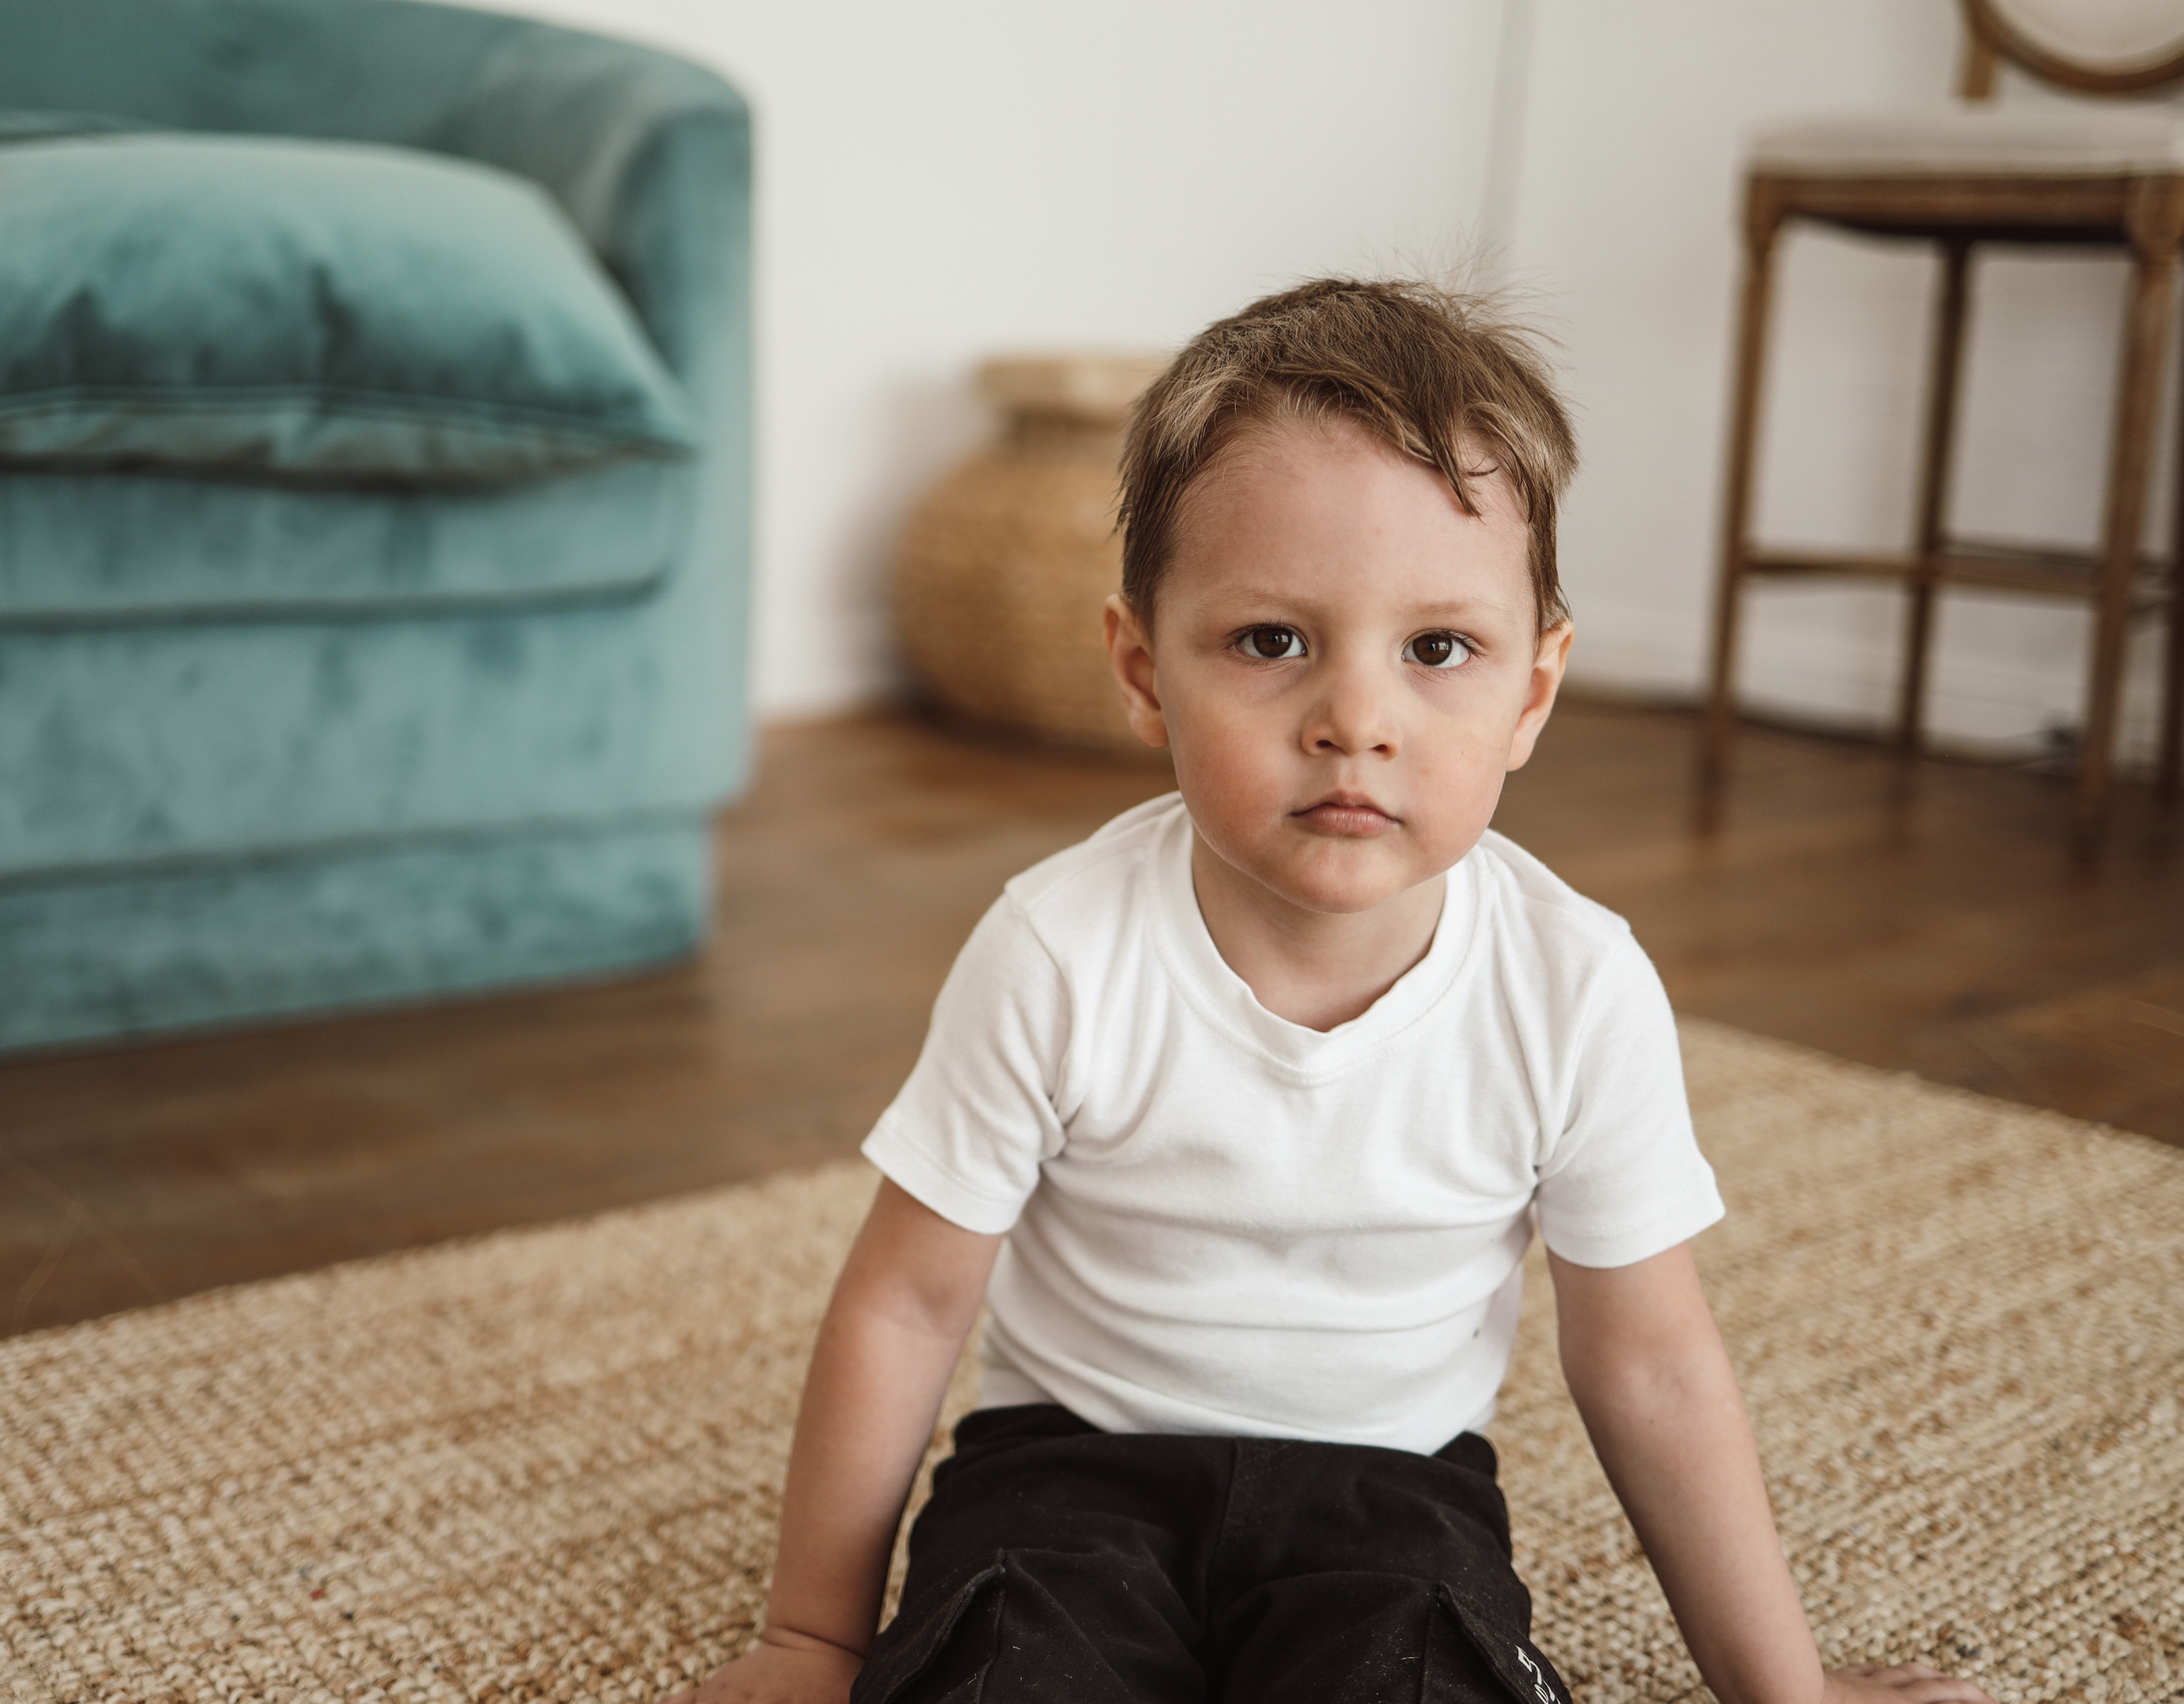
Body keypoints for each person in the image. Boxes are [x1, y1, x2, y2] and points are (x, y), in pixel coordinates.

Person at [665, 278, 1995, 1704]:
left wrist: (1781, 1692)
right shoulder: (1057, 949)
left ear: (1532, 694)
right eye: (1271, 642)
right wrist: (813, 1638)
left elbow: (1652, 1362)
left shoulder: (1575, 984)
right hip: (1065, 1474)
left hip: (1393, 1498)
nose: (1354, 722)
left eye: (1438, 651)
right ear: (1142, 671)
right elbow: (907, 1307)